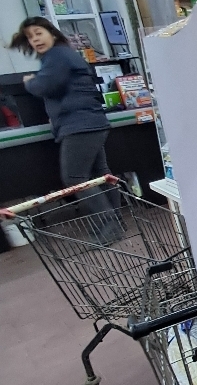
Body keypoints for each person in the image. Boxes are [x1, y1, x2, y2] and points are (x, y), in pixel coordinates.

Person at [10, 17, 119, 238]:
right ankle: (115, 224)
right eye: (30, 37)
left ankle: (109, 227)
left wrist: (30, 82)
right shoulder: (63, 54)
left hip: (79, 125)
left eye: (38, 33)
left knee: (74, 178)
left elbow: (46, 86)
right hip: (91, 121)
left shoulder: (57, 55)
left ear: (52, 33)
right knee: (100, 175)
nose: (35, 39)